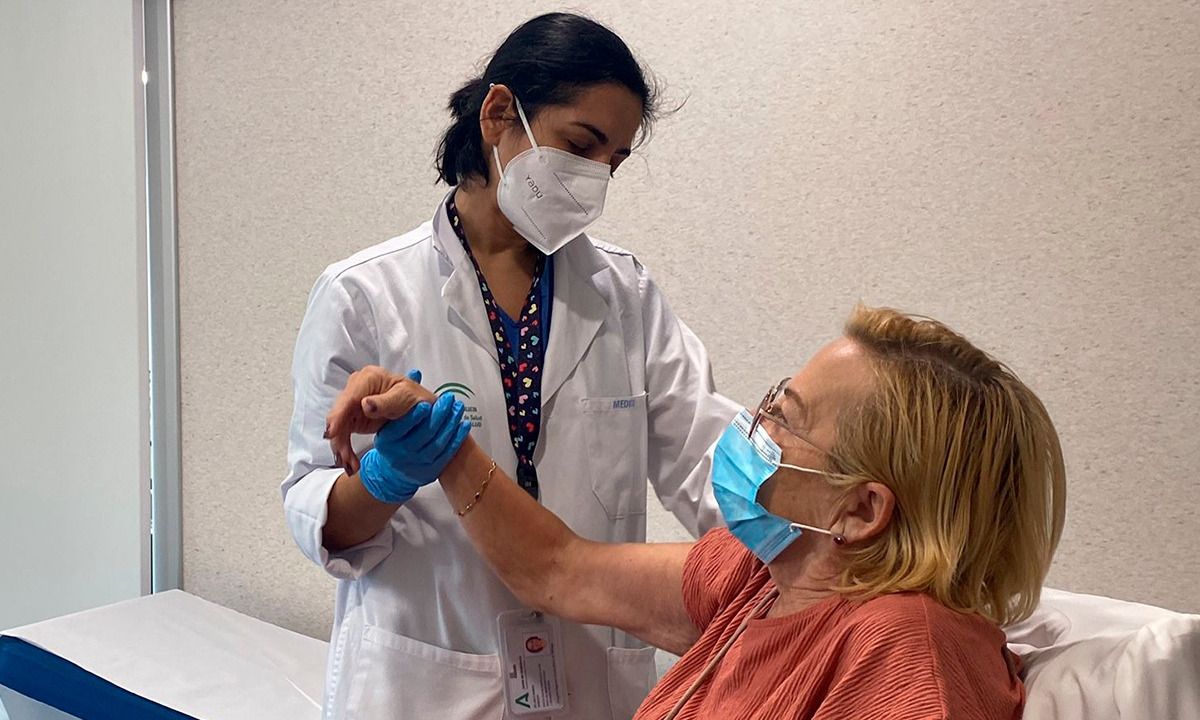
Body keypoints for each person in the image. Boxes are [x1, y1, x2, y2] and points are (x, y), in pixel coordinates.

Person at [282, 12, 738, 719]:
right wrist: (386, 477)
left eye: (611, 163)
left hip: (591, 678)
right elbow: (318, 515)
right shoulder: (365, 293)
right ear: (499, 113)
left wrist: (828, 525)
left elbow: (711, 461)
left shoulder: (624, 295)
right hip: (427, 678)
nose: (592, 180)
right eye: (580, 145)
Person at [330, 305, 1067, 719]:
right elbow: (558, 569)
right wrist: (443, 442)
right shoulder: (763, 582)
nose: (752, 425)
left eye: (784, 417)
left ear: (862, 508)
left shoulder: (903, 652)